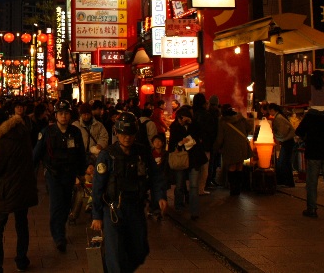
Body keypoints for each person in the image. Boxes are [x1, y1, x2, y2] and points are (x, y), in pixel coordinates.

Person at [91, 112, 167, 273]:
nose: (127, 138)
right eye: (123, 134)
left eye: (131, 134)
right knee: (115, 253)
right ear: (117, 133)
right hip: (113, 209)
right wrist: (96, 215)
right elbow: (98, 186)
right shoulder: (107, 155)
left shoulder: (142, 153)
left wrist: (160, 196)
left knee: (140, 250)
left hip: (136, 207)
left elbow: (155, 175)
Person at [0, 105, 38, 273]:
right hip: (23, 186)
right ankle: (21, 260)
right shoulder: (22, 131)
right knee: (22, 223)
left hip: (5, 189)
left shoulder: (2, 139)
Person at [32, 99, 86, 253]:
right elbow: (36, 155)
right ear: (55, 115)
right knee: (56, 204)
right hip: (53, 174)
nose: (64, 116)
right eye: (61, 113)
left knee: (66, 203)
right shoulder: (46, 132)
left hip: (69, 174)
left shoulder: (75, 132)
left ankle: (60, 228)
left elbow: (80, 153)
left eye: (66, 113)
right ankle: (59, 236)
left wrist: (81, 173)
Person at [295, 99, 324, 218]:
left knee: (312, 183)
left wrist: (309, 136)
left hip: (313, 153)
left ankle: (312, 209)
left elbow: (299, 131)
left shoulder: (309, 116)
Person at [167, 106, 207, 220]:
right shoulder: (174, 127)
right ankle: (178, 206)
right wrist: (180, 143)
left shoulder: (194, 125)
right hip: (181, 159)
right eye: (180, 119)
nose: (181, 121)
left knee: (194, 186)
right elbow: (171, 146)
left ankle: (194, 211)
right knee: (179, 184)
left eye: (183, 119)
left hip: (194, 160)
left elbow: (201, 134)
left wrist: (192, 123)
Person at [214, 104, 253, 196]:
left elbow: (220, 138)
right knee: (239, 166)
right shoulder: (240, 118)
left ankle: (233, 188)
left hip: (229, 147)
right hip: (242, 145)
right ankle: (238, 188)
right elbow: (249, 127)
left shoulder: (222, 121)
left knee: (232, 167)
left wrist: (216, 148)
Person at [268, 103, 296, 188]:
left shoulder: (278, 118)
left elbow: (282, 132)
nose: (269, 112)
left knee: (284, 162)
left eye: (269, 110)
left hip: (287, 142)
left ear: (273, 110)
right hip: (288, 141)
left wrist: (274, 134)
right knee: (284, 162)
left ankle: (288, 182)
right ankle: (286, 181)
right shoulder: (279, 117)